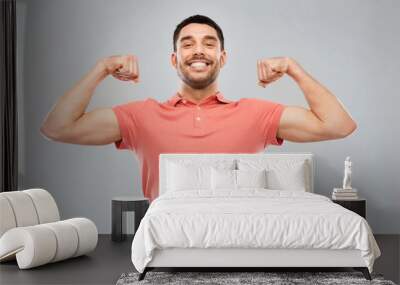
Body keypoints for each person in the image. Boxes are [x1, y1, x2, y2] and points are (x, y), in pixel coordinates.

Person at [40, 15, 357, 202]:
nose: (198, 51)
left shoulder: (257, 114)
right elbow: (57, 128)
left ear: (222, 57)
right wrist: (102, 68)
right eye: (187, 43)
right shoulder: (139, 116)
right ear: (174, 59)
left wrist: (292, 68)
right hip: (169, 246)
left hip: (243, 240)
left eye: (209, 43)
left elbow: (338, 125)